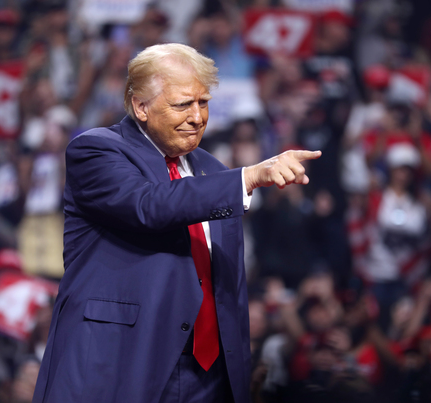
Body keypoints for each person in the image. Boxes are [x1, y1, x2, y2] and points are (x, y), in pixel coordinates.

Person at [32, 43, 321, 403]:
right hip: (124, 363)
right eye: (183, 104)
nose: (197, 116)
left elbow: (230, 285)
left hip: (211, 376)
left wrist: (239, 373)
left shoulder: (214, 172)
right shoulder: (96, 151)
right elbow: (148, 206)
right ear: (141, 106)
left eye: (203, 103)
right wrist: (246, 178)